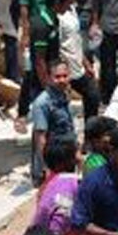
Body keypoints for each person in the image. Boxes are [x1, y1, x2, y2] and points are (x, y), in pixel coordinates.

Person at [16, 0, 67, 118]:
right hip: (37, 27)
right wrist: (26, 33)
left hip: (52, 25)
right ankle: (22, 112)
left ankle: (49, 105)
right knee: (32, 71)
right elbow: (24, 3)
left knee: (52, 65)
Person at [49, 0, 102, 121]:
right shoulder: (58, 16)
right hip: (66, 66)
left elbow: (76, 39)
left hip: (78, 64)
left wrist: (86, 63)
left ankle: (90, 133)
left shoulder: (71, 9)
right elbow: (57, 45)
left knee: (93, 95)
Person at [29, 58, 80, 186]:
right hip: (54, 165)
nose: (62, 80)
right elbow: (40, 138)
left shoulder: (63, 95)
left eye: (65, 76)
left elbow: (68, 127)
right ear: (49, 78)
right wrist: (47, 167)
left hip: (67, 160)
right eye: (57, 77)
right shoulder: (42, 103)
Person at [31, 139, 82, 235]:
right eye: (75, 154)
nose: (79, 157)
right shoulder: (73, 182)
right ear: (65, 162)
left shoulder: (48, 183)